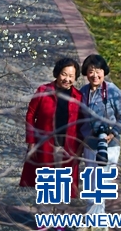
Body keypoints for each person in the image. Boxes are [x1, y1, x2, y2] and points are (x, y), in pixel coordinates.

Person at [72, 53, 121, 231]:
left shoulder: (113, 91)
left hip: (109, 145)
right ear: (86, 74)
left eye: (98, 70)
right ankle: (99, 219)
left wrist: (112, 133)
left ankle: (87, 226)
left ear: (104, 71)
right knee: (91, 184)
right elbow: (78, 118)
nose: (95, 75)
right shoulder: (83, 92)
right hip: (90, 144)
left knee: (100, 183)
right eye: (90, 71)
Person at [20, 57, 82, 197]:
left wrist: (79, 149)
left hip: (68, 148)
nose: (67, 79)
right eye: (64, 74)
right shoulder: (43, 90)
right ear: (57, 73)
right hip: (46, 146)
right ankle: (45, 215)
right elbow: (30, 116)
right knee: (46, 185)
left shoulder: (78, 97)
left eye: (71, 76)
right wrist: (31, 142)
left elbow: (81, 125)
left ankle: (60, 216)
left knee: (65, 186)